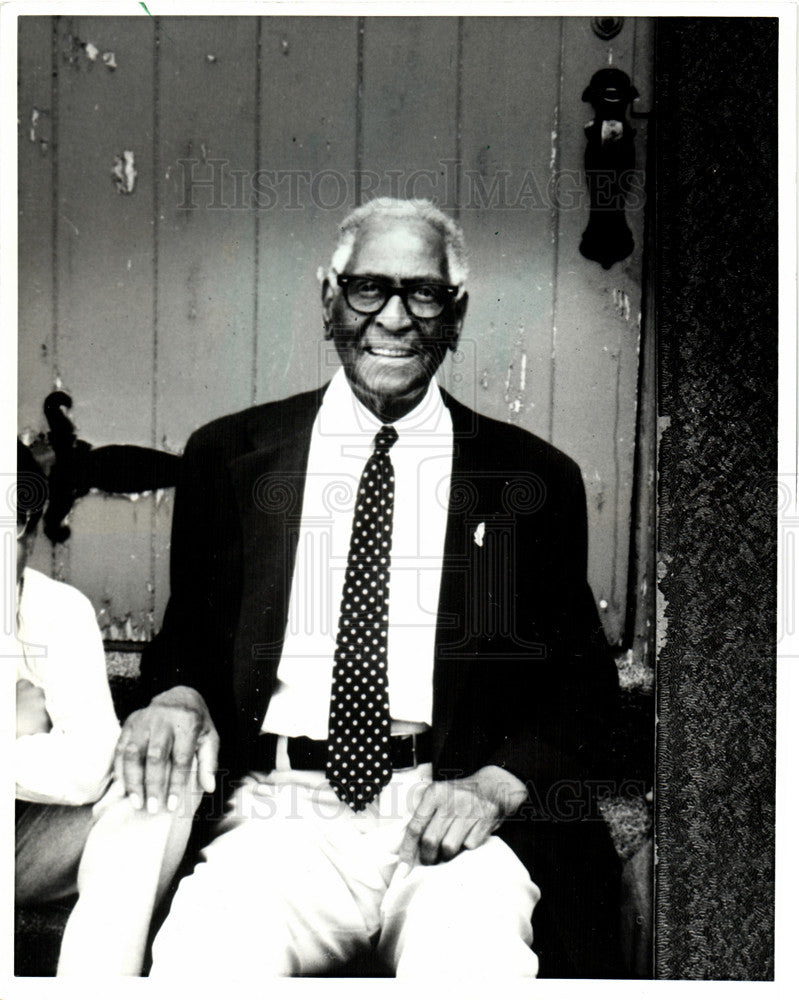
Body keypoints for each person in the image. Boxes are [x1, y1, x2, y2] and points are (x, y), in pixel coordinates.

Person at [122, 198, 623, 978]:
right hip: (283, 812)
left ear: (454, 313)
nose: (393, 318)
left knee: (472, 968)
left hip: (451, 817)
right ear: (329, 298)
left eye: (422, 293)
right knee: (205, 959)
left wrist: (495, 785)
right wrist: (177, 696)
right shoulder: (230, 456)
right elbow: (186, 643)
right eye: (368, 290)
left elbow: (582, 689)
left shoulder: (527, 478)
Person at [14, 441, 199, 976]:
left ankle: (96, 978)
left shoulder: (56, 610)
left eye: (16, 526)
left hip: (24, 848)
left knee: (165, 772)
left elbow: (88, 765)